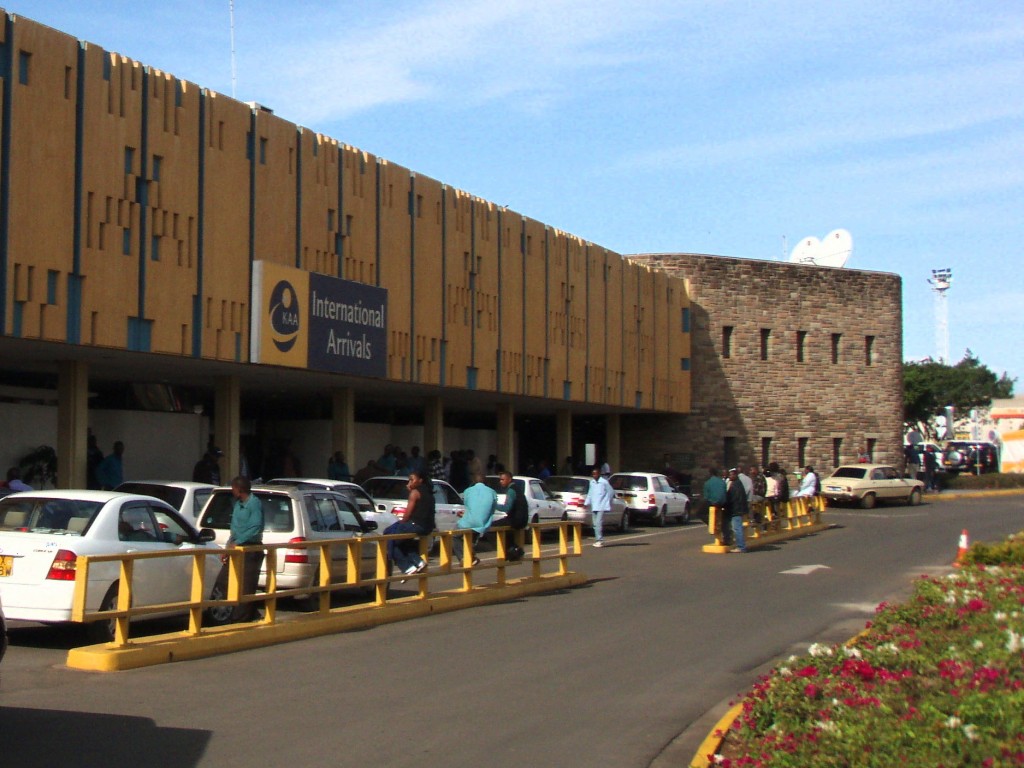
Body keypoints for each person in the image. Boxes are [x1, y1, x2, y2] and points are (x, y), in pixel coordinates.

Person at [218, 476, 264, 623]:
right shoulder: (238, 504)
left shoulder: (254, 503)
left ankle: (242, 618)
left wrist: (238, 542)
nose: (232, 491)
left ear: (239, 490)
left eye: (233, 488)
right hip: (236, 547)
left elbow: (255, 527)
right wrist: (228, 548)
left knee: (246, 587)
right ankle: (225, 614)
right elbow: (235, 530)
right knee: (223, 581)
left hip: (250, 548)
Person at [384, 470, 435, 577]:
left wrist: (400, 523)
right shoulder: (429, 493)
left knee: (389, 538)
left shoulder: (415, 493)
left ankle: (407, 567)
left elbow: (407, 515)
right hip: (428, 527)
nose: (409, 482)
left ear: (420, 480)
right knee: (403, 542)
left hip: (416, 524)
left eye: (412, 480)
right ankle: (418, 562)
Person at [453, 474, 497, 566]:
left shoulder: (468, 491)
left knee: (455, 536)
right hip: (483, 524)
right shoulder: (492, 492)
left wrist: (464, 515)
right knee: (471, 536)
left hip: (468, 522)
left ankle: (463, 558)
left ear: (474, 482)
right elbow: (492, 510)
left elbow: (468, 507)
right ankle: (471, 556)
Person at [495, 470, 528, 561]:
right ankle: (511, 551)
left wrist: (494, 505)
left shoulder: (511, 491)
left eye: (503, 479)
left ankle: (513, 550)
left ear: (509, 479)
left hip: (516, 520)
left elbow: (506, 508)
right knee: (507, 531)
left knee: (492, 527)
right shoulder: (517, 488)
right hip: (522, 519)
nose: (500, 481)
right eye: (500, 480)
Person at [584, 466, 614, 547]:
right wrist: (586, 503)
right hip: (594, 505)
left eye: (596, 474)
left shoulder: (604, 482)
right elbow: (590, 493)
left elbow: (611, 492)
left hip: (601, 505)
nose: (594, 475)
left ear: (599, 474)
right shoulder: (592, 482)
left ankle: (599, 540)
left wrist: (607, 501)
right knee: (594, 524)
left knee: (598, 523)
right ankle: (598, 538)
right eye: (593, 474)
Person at [702, 467, 728, 544]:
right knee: (724, 518)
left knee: (700, 513)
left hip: (713, 503)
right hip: (723, 503)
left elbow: (706, 497)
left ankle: (712, 524)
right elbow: (724, 493)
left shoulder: (707, 483)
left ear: (710, 474)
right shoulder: (722, 482)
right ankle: (726, 535)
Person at [725, 467, 748, 553]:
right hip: (738, 509)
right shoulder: (738, 483)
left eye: (731, 474)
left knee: (737, 528)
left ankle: (741, 546)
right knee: (738, 528)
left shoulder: (735, 485)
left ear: (735, 475)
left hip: (736, 510)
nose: (729, 476)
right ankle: (740, 545)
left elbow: (733, 498)